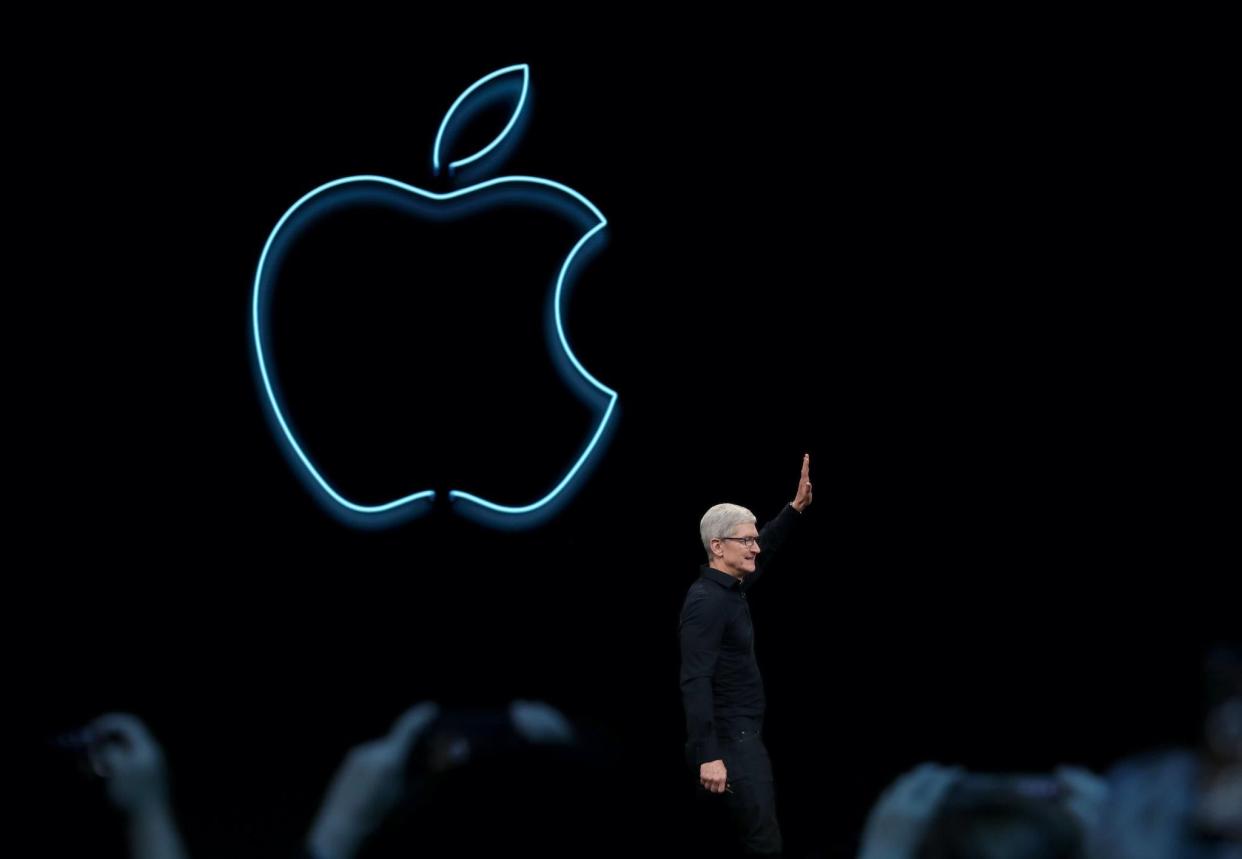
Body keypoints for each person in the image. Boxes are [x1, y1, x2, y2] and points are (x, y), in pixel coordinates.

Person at [680, 452, 813, 855]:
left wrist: (794, 510)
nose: (755, 546)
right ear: (717, 547)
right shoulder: (706, 602)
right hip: (728, 745)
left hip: (734, 740)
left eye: (755, 538)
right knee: (763, 845)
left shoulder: (728, 588)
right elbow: (695, 678)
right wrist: (709, 757)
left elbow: (767, 550)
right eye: (746, 539)